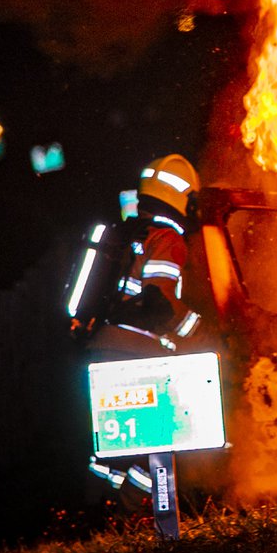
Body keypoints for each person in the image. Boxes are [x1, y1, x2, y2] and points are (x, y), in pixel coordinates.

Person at [79, 153, 204, 496]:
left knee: (114, 444)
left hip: (102, 346)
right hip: (136, 354)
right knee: (157, 442)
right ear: (183, 198)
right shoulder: (166, 239)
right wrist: (200, 331)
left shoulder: (126, 233)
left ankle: (102, 517)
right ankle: (141, 518)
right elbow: (159, 301)